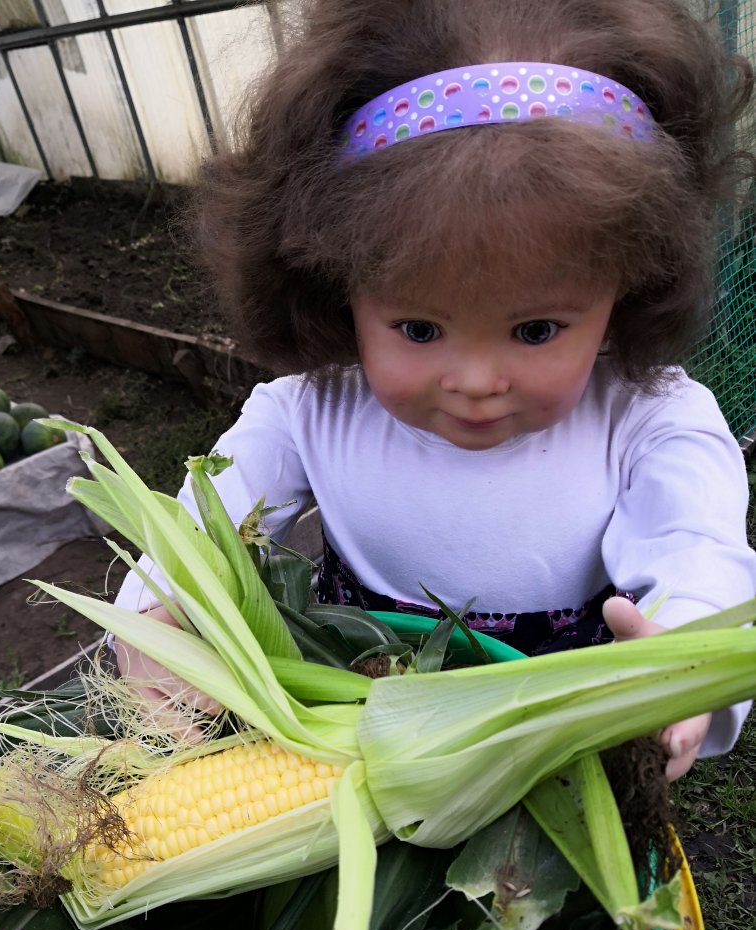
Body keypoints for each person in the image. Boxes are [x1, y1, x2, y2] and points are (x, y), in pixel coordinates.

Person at [113, 0, 756, 781]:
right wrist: (162, 609)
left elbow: (695, 550)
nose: (477, 382)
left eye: (536, 330)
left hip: (553, 766)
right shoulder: (306, 412)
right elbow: (202, 523)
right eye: (418, 329)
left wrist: (684, 662)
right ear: (334, 286)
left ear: (630, 285)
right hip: (351, 748)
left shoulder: (651, 422)